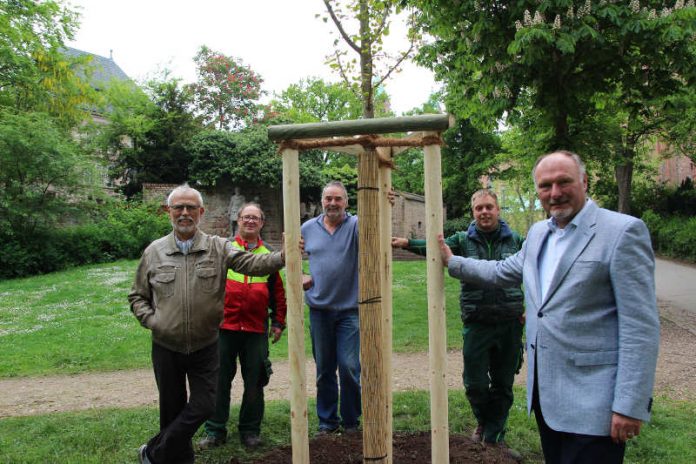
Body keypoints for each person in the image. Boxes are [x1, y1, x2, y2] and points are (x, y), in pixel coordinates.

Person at [439, 151, 660, 463]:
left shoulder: (623, 233)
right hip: (547, 400)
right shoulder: (539, 233)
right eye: (545, 186)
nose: (554, 193)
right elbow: (503, 271)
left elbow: (641, 327)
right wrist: (453, 262)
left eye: (563, 182)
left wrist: (629, 404)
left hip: (596, 404)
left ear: (584, 181)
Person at [128, 184, 285, 464]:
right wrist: (153, 321)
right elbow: (138, 296)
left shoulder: (218, 247)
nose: (184, 213)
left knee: (205, 405)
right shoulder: (154, 251)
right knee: (172, 411)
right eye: (178, 207)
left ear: (201, 212)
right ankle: (176, 459)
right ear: (169, 212)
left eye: (190, 208)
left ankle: (152, 452)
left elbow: (254, 264)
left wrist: (284, 256)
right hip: (166, 345)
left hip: (205, 344)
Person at [392, 189, 524, 459]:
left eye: (489, 207)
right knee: (474, 382)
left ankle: (494, 436)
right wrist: (407, 243)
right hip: (477, 322)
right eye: (479, 208)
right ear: (473, 212)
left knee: (503, 382)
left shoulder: (517, 240)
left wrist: (530, 309)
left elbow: (535, 271)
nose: (484, 212)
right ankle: (484, 421)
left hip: (510, 322)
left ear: (498, 210)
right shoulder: (463, 239)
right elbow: (435, 247)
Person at [197, 203, 287, 450]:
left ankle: (250, 430)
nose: (250, 221)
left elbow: (278, 293)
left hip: (256, 329)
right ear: (237, 220)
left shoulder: (269, 254)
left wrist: (279, 321)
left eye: (255, 218)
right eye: (246, 217)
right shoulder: (223, 249)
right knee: (218, 380)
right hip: (223, 328)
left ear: (262, 223)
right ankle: (215, 431)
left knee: (256, 381)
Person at [301, 180, 361, 435]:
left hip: (349, 310)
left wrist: (386, 200)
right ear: (322, 201)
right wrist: (301, 274)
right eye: (328, 199)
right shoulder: (307, 228)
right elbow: (292, 258)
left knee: (348, 367)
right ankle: (327, 422)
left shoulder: (357, 225)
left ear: (346, 202)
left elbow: (379, 224)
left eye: (338, 199)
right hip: (319, 309)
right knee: (324, 369)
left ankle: (350, 422)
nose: (333, 203)